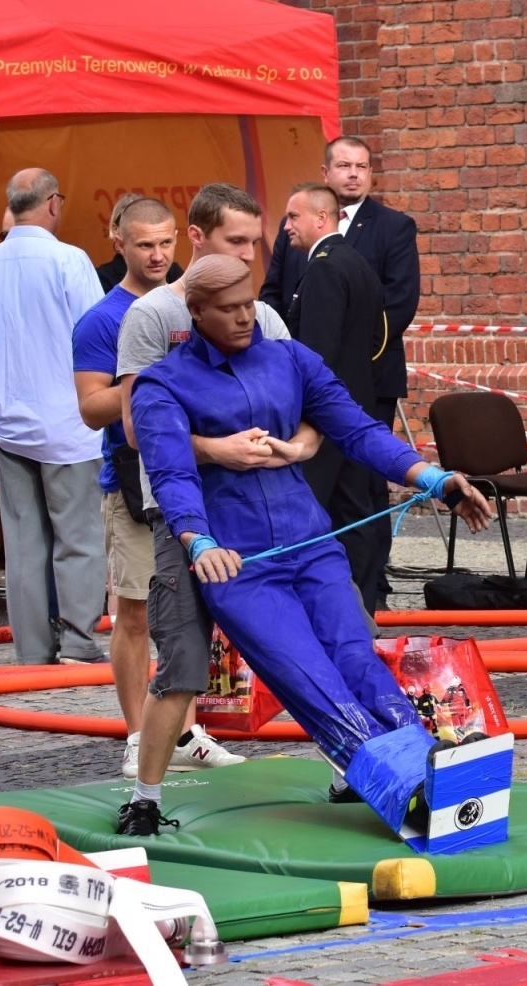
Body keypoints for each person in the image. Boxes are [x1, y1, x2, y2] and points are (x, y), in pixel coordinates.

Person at [123, 254, 492, 838]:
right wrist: (197, 540)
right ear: (195, 312)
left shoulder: (290, 357)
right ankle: (407, 782)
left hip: (311, 540)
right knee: (308, 676)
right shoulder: (162, 383)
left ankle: (434, 765)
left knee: (355, 656)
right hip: (239, 563)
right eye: (230, 309)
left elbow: (359, 430)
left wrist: (432, 478)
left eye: (250, 303)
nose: (247, 317)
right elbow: (170, 472)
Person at [109, 183, 307, 780]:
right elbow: (136, 428)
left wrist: (292, 445)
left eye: (255, 242)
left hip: (256, 504)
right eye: (235, 241)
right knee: (173, 645)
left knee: (302, 639)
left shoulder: (265, 315)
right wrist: (217, 447)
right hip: (178, 506)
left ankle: (350, 763)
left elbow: (304, 400)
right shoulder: (151, 316)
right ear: (196, 238)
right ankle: (145, 778)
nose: (249, 255)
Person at [74, 199, 242, 778]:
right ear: (117, 240)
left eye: (166, 243)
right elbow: (90, 407)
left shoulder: (195, 303)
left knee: (191, 611)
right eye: (145, 245)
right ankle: (137, 733)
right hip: (131, 479)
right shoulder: (103, 317)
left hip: (201, 480)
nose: (157, 255)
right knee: (136, 611)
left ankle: (188, 729)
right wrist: (146, 390)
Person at [0, 168, 108, 665]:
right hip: (71, 424)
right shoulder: (70, 261)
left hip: (7, 425)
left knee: (24, 543)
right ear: (53, 203)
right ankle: (77, 641)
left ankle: (31, 649)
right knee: (78, 538)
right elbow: (99, 339)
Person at [263, 137, 420, 607]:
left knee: (358, 487)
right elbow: (275, 295)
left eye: (363, 166)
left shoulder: (391, 228)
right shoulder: (298, 233)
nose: (354, 174)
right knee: (338, 489)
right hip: (331, 379)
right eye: (344, 166)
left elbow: (394, 307)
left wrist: (344, 375)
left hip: (358, 382)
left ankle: (363, 589)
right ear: (327, 173)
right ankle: (339, 591)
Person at [281, 182, 390, 613]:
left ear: (321, 218)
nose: (286, 226)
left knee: (312, 507)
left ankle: (317, 605)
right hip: (357, 403)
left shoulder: (325, 266)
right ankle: (360, 603)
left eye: (293, 216)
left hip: (327, 412)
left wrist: (305, 413)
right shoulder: (357, 262)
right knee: (355, 509)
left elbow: (317, 353)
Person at [96, 192, 184, 293]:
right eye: (146, 245)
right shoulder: (103, 277)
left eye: (165, 242)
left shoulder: (173, 271)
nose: (158, 257)